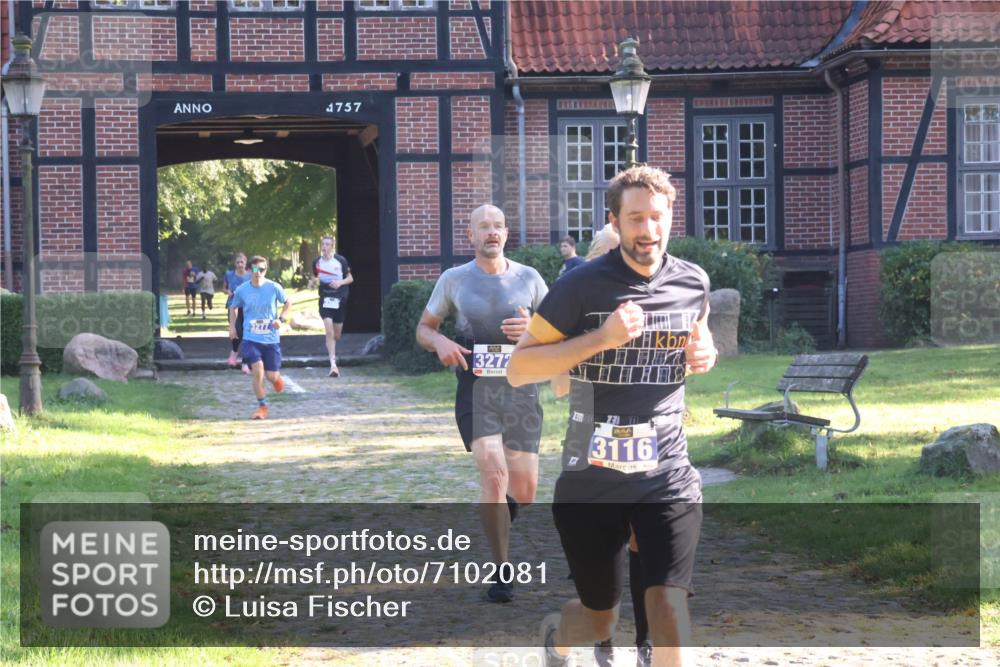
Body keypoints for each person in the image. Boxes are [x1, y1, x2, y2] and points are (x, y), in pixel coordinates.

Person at [507, 166, 718, 667]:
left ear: (671, 218)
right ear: (615, 222)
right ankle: (559, 637)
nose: (648, 230)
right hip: (591, 477)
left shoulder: (693, 282)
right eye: (635, 218)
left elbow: (698, 342)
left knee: (668, 606)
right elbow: (519, 368)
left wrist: (705, 353)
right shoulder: (582, 287)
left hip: (667, 471)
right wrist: (601, 338)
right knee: (599, 619)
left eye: (657, 217)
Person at [416, 204, 548, 604]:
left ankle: (501, 513)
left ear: (507, 234)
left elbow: (563, 331)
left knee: (523, 492)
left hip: (521, 390)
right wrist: (438, 341)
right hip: (476, 390)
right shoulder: (454, 280)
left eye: (497, 227)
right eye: (483, 227)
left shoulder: (530, 278)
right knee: (494, 476)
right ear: (470, 236)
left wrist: (533, 329)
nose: (491, 233)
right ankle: (501, 568)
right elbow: (424, 327)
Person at [229, 256, 292, 420]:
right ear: (250, 270)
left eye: (262, 269)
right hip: (251, 338)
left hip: (271, 339)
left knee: (271, 376)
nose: (259, 273)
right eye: (256, 269)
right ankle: (262, 407)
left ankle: (277, 379)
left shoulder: (273, 287)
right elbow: (233, 307)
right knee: (258, 371)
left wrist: (281, 319)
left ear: (266, 270)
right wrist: (232, 327)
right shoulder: (242, 290)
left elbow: (287, 302)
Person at [308, 235, 353, 378]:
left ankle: (333, 353)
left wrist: (340, 283)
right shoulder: (317, 262)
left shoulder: (340, 261)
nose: (325, 247)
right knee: (329, 332)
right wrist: (312, 283)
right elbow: (315, 277)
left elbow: (350, 278)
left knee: (336, 334)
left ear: (332, 246)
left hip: (340, 299)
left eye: (327, 244)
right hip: (325, 299)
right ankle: (333, 365)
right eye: (323, 244)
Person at [224, 253, 252, 373]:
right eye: (238, 262)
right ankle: (234, 352)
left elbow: (261, 271)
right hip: (233, 306)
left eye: (242, 262)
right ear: (235, 264)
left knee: (247, 333)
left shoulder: (251, 274)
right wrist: (228, 292)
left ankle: (245, 362)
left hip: (247, 307)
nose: (240, 264)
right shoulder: (229, 274)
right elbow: (224, 288)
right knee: (236, 332)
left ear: (246, 263)